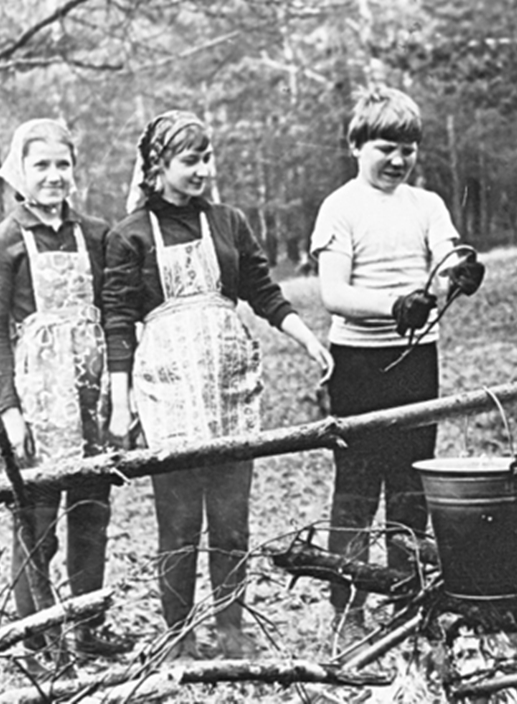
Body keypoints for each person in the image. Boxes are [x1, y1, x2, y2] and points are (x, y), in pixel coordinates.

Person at [103, 110, 333, 659]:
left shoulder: (228, 222)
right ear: (157, 167)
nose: (203, 170)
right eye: (190, 160)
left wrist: (307, 339)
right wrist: (119, 405)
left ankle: (230, 628)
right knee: (179, 522)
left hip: (230, 386)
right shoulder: (128, 236)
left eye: (207, 157)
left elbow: (263, 291)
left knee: (231, 521)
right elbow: (116, 323)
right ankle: (179, 635)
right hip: (168, 389)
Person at [308, 86, 485, 642]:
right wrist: (392, 305)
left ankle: (406, 604)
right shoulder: (341, 206)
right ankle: (347, 609)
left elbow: (447, 259)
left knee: (411, 487)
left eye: (408, 148)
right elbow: (332, 294)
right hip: (359, 362)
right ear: (356, 145)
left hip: (416, 362)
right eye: (386, 147)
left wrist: (460, 272)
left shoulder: (426, 204)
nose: (398, 160)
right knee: (357, 489)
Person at [0, 119, 129, 665]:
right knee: (36, 523)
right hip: (36, 394)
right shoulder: (2, 242)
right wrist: (10, 412)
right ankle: (38, 637)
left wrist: (119, 391)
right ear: (19, 170)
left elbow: (115, 316)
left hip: (90, 391)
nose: (53, 176)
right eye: (41, 165)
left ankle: (87, 625)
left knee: (91, 512)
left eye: (62, 165)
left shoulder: (95, 233)